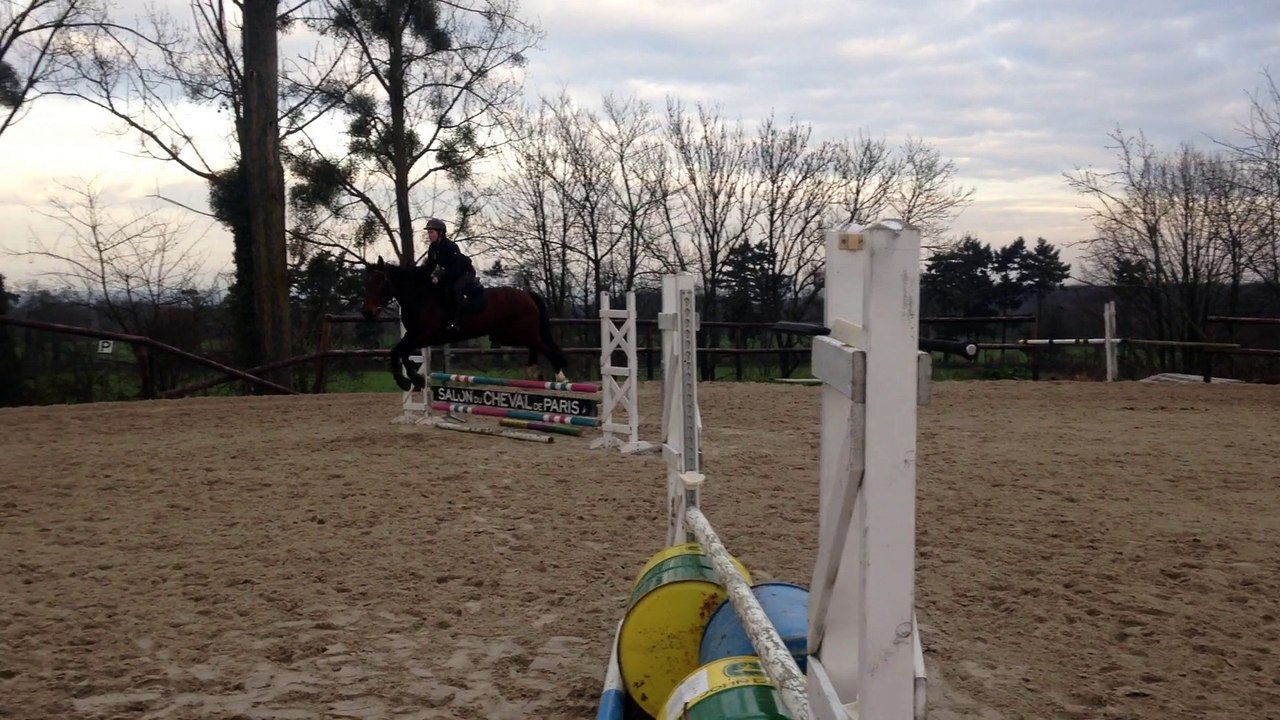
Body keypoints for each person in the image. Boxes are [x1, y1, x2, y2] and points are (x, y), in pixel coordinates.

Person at [420, 217, 476, 332]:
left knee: (456, 289)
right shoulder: (433, 247)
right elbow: (430, 266)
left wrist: (439, 278)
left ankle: (458, 321)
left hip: (465, 272)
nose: (429, 235)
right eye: (428, 233)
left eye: (431, 232)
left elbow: (455, 269)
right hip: (450, 273)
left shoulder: (450, 246)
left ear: (440, 233)